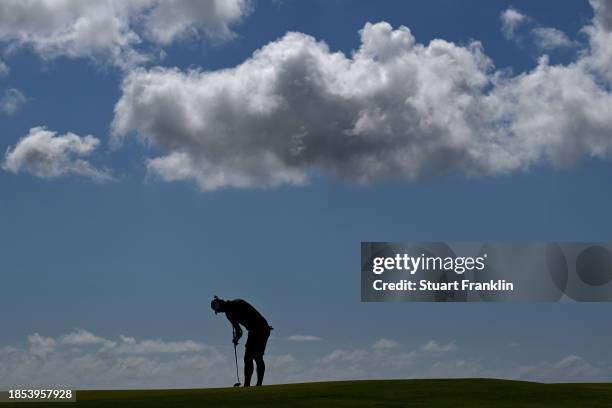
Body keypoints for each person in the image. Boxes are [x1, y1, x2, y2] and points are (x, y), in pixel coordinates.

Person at [211, 296, 272, 386]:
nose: (220, 312)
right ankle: (248, 385)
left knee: (256, 356)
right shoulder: (229, 314)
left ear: (221, 305)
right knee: (249, 357)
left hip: (261, 328)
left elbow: (252, 318)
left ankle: (257, 385)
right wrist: (236, 338)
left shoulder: (238, 303)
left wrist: (237, 338)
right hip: (254, 330)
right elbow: (239, 331)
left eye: (219, 310)